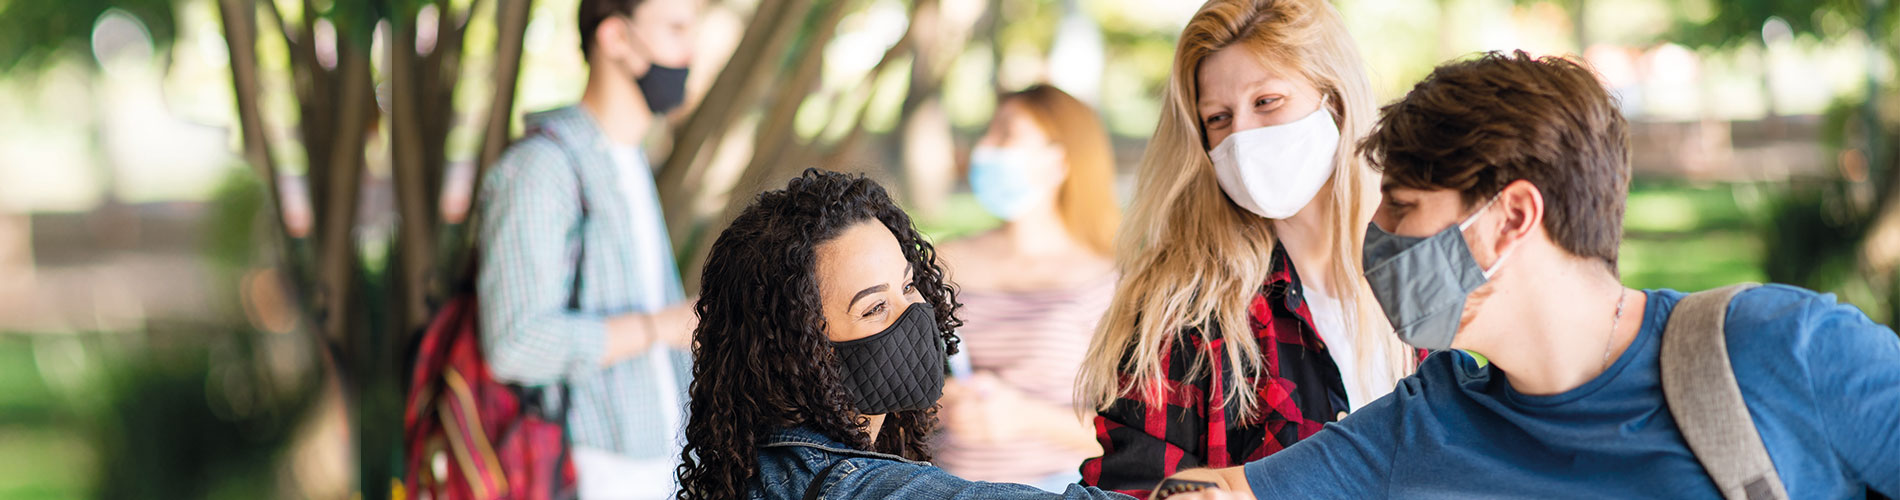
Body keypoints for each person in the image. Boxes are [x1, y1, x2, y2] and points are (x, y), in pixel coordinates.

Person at [1152, 51, 1900, 499]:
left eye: (1404, 209)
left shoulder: (1788, 351)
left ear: (1511, 219)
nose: (1372, 241)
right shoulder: (1427, 422)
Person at [1073, 0, 1416, 495]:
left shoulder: (1415, 269)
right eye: (1218, 117)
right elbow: (1135, 485)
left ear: (1334, 101)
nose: (1243, 136)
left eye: (1267, 101)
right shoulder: (1178, 307)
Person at [675, 169, 1133, 500]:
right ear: (797, 348)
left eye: (910, 285)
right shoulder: (856, 486)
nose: (915, 315)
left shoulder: (759, 465)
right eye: (874, 307)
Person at [474, 0, 699, 497]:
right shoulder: (541, 168)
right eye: (676, 29)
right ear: (617, 38)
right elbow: (514, 343)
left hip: (658, 465)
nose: (691, 49)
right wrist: (658, 327)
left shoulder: (630, 160)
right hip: (589, 472)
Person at [932, 84, 1118, 490]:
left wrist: (1022, 416)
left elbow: (1128, 430)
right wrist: (941, 402)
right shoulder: (943, 262)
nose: (984, 148)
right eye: (988, 132)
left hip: (1056, 489)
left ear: (1060, 160)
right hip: (944, 484)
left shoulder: (1109, 282)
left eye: (1006, 134)